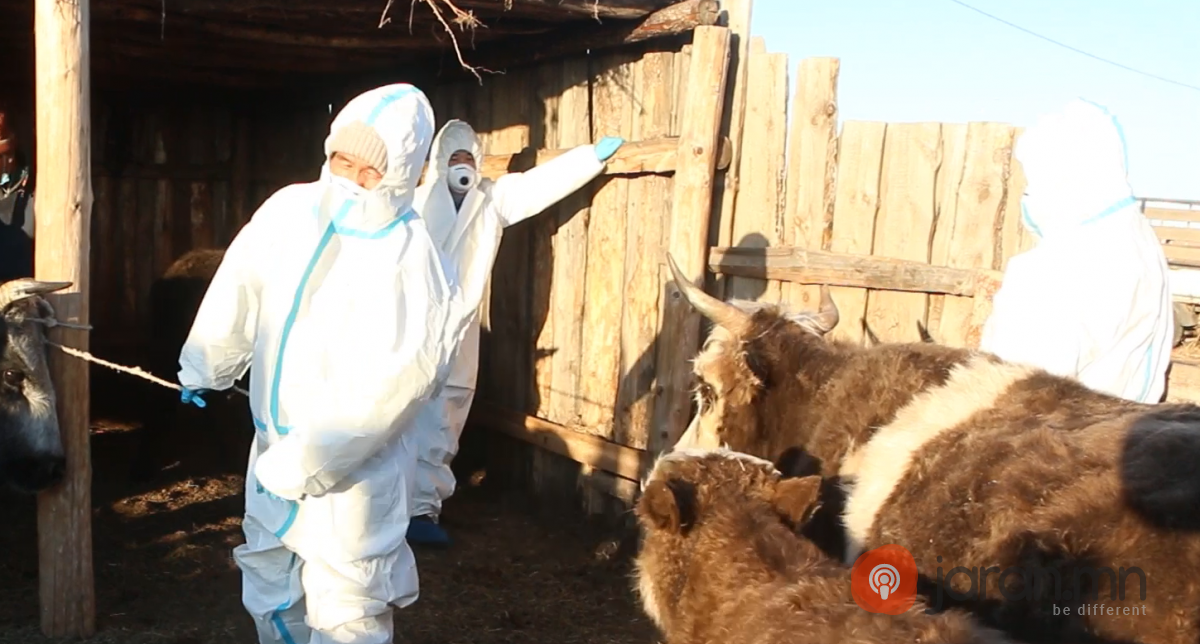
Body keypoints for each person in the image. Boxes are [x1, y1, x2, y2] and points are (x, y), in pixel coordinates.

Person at [175, 83, 470, 644]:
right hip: (270, 447)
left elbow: (396, 387)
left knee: (348, 607)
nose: (354, 179)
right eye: (343, 160)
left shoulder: (413, 259)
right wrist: (206, 364)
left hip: (354, 477)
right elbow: (239, 283)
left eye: (372, 171)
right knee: (268, 581)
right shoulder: (292, 209)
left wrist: (309, 461)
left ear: (403, 175)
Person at [406, 119, 624, 545]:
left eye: (468, 158)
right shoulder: (413, 205)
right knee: (398, 414)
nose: (462, 166)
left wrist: (589, 158)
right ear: (438, 163)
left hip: (461, 330)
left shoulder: (490, 201)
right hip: (413, 325)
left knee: (445, 418)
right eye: (454, 159)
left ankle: (421, 512)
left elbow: (537, 186)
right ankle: (379, 509)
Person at [979, 98, 1173, 403]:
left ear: (1058, 176)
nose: (1028, 193)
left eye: (1033, 179)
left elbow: (1014, 391)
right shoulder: (1137, 241)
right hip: (1122, 431)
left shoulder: (1060, 265)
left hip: (1053, 442)